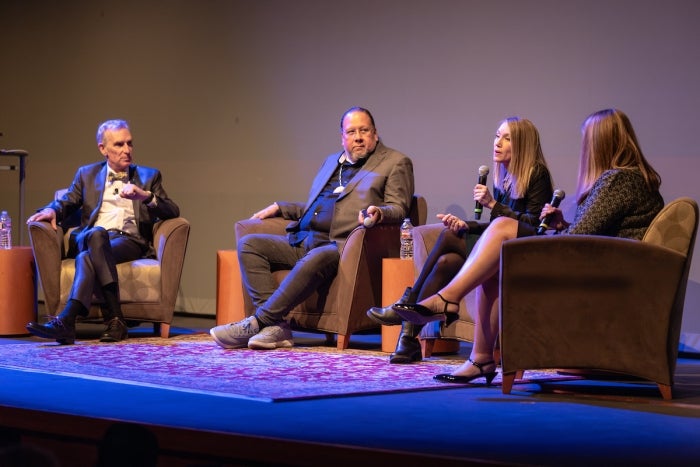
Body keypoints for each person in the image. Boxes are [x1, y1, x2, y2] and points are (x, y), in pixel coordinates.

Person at [394, 108, 664, 383]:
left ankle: (448, 299)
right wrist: (562, 225)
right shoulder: (630, 178)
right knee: (495, 259)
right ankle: (481, 358)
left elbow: (582, 236)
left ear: (599, 143)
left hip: (606, 272)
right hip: (606, 265)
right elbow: (589, 232)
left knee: (499, 231)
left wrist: (558, 233)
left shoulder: (618, 179)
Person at [210, 107, 415, 350]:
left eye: (364, 131)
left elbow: (399, 207)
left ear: (375, 134)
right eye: (351, 132)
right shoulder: (331, 162)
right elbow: (317, 207)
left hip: (339, 247)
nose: (358, 137)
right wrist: (282, 207)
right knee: (250, 244)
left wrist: (379, 212)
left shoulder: (394, 162)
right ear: (342, 137)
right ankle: (277, 328)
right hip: (305, 239)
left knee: (319, 255)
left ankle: (259, 321)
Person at [367, 117, 553, 364]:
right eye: (497, 136)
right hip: (502, 246)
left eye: (507, 138)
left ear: (523, 145)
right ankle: (409, 338)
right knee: (447, 261)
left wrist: (492, 204)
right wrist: (469, 225)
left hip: (524, 252)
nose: (498, 143)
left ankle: (407, 306)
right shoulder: (505, 177)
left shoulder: (536, 174)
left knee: (448, 236)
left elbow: (530, 226)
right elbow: (498, 226)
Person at [25, 119, 180, 344]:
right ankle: (116, 319)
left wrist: (145, 196)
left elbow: (173, 210)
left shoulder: (149, 176)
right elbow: (68, 201)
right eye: (119, 145)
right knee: (97, 235)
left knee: (89, 256)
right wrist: (51, 209)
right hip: (90, 237)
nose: (127, 150)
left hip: (127, 241)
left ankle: (67, 321)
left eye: (130, 143)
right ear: (103, 149)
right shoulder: (86, 174)